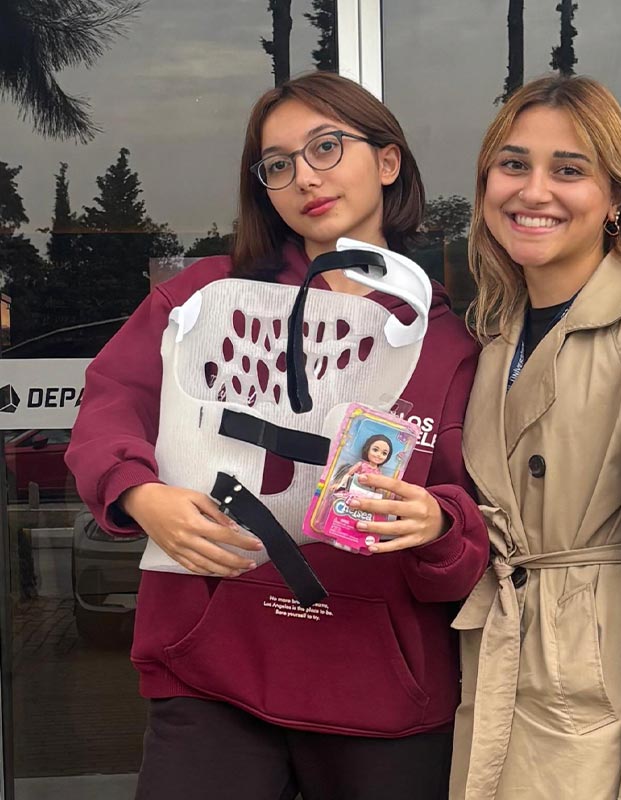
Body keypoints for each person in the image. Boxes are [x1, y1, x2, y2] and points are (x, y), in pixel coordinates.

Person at [65, 71, 488, 800]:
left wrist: (437, 522)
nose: (305, 178)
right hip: (211, 673)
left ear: (388, 163)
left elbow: (473, 530)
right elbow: (109, 406)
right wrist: (139, 493)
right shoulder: (202, 300)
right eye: (279, 164)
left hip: (380, 692)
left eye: (327, 147)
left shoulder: (449, 342)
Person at [449, 74, 621, 800]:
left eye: (568, 170)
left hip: (592, 708)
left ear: (616, 199)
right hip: (495, 676)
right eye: (513, 165)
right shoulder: (496, 333)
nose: (533, 190)